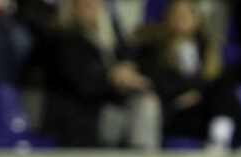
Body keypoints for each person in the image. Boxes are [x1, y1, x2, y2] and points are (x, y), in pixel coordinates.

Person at [43, 0, 161, 148]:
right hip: (79, 114)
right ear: (72, 9)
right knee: (129, 111)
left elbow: (127, 59)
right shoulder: (62, 39)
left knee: (147, 101)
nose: (91, 10)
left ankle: (144, 155)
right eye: (85, 6)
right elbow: (84, 84)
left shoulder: (107, 35)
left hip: (107, 107)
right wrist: (114, 78)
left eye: (95, 6)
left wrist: (128, 73)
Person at [136, 0, 241, 149]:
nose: (181, 19)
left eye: (186, 14)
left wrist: (198, 93)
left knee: (223, 86)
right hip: (175, 111)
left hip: (204, 109)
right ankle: (237, 140)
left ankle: (225, 139)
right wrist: (191, 92)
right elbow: (159, 83)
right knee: (220, 93)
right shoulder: (156, 50)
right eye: (176, 14)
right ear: (168, 18)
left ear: (196, 19)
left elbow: (218, 80)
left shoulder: (206, 50)